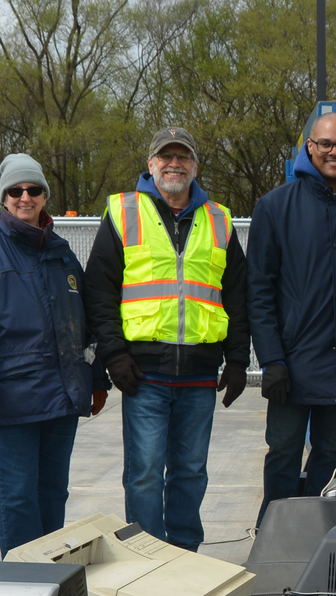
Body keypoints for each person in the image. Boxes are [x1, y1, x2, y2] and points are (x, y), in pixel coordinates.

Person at [84, 126, 249, 551]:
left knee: (191, 472)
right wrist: (113, 355)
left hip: (199, 374)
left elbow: (237, 294)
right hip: (144, 375)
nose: (174, 164)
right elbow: (99, 291)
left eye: (183, 157)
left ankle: (185, 559)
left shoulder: (219, 219)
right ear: (150, 164)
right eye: (165, 156)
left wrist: (236, 359)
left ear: (195, 166)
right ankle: (146, 560)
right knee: (143, 472)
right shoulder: (124, 213)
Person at [0, 152, 106, 556]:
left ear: (44, 196)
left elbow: (86, 324)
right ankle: (23, 584)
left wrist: (97, 378)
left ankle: (50, 578)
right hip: (11, 401)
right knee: (18, 499)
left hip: (62, 400)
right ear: (4, 198)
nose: (25, 197)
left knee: (53, 494)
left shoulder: (63, 255)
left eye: (33, 189)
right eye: (15, 191)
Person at [248, 111, 336, 521]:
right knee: (284, 452)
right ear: (309, 146)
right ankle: (273, 531)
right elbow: (259, 291)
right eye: (324, 144)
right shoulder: (275, 207)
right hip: (292, 365)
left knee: (331, 455)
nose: (333, 152)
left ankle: (317, 532)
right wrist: (271, 359)